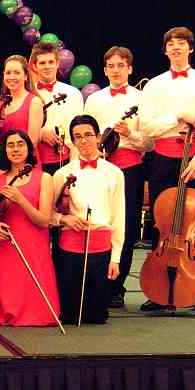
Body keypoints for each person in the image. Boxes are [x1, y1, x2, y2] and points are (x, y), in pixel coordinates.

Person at [138, 26, 195, 315]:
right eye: (170, 44)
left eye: (181, 43)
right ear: (165, 50)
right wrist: (179, 117)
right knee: (160, 225)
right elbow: (146, 127)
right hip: (162, 158)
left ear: (191, 48)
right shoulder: (154, 85)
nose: (175, 48)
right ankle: (160, 293)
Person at [84, 46, 147, 309]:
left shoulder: (142, 99)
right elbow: (84, 132)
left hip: (130, 168)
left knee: (126, 226)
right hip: (100, 167)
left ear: (130, 68)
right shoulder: (95, 99)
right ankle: (96, 282)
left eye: (121, 65)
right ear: (105, 69)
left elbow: (150, 143)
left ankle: (117, 286)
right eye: (111, 65)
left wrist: (129, 134)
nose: (116, 70)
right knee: (98, 222)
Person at [0, 130, 61, 326]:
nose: (16, 149)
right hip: (4, 245)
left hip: (32, 245)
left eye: (20, 144)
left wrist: (20, 200)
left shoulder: (44, 178)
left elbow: (43, 220)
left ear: (29, 148)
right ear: (4, 150)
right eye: (10, 145)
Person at [50, 116, 125, 325]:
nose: (83, 141)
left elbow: (119, 217)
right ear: (73, 142)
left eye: (88, 135)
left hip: (101, 251)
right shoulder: (62, 174)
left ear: (99, 137)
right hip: (70, 250)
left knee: (97, 317)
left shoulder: (115, 174)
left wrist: (115, 258)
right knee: (70, 316)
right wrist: (64, 219)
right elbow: (48, 215)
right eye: (78, 137)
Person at [29, 43, 83, 174]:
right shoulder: (28, 93)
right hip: (34, 161)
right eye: (42, 63)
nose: (47, 66)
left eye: (51, 62)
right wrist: (40, 134)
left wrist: (73, 166)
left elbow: (78, 131)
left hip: (66, 160)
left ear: (58, 63)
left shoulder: (73, 93)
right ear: (35, 66)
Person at [0, 55, 44, 176]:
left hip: (27, 168)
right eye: (8, 73)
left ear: (25, 76)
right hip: (2, 169)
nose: (12, 77)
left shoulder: (34, 102)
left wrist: (10, 169)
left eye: (17, 73)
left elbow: (32, 142)